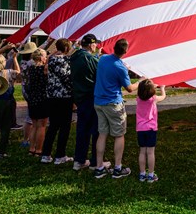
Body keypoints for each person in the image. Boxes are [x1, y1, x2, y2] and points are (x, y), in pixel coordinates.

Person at [93, 38, 142, 179]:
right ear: (126, 51)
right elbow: (129, 88)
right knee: (119, 135)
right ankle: (117, 169)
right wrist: (140, 81)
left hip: (98, 101)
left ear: (113, 48)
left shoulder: (103, 59)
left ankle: (99, 167)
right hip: (113, 103)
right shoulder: (120, 68)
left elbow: (107, 63)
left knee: (102, 134)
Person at [70, 33, 105, 171]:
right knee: (96, 129)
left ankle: (79, 160)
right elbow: (98, 71)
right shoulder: (90, 58)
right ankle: (96, 161)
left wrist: (96, 57)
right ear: (91, 44)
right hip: (91, 96)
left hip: (79, 97)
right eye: (95, 43)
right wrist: (98, 58)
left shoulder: (74, 57)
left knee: (82, 129)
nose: (96, 46)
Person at [40, 38, 74, 165]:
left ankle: (46, 154)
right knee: (65, 126)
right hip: (64, 97)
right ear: (66, 48)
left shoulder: (50, 60)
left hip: (52, 96)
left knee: (53, 125)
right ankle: (60, 155)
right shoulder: (66, 60)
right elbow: (66, 78)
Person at [136, 79, 166, 183]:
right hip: (151, 129)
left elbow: (144, 90)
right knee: (150, 152)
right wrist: (162, 88)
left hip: (140, 129)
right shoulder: (153, 99)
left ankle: (142, 174)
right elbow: (163, 97)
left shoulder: (138, 99)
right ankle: (151, 175)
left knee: (142, 152)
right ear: (152, 90)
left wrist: (151, 85)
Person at [25, 48, 49, 156]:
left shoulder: (30, 68)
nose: (46, 57)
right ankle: (39, 149)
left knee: (34, 125)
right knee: (42, 125)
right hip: (42, 99)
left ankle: (31, 148)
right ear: (40, 57)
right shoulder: (43, 69)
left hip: (32, 99)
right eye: (45, 55)